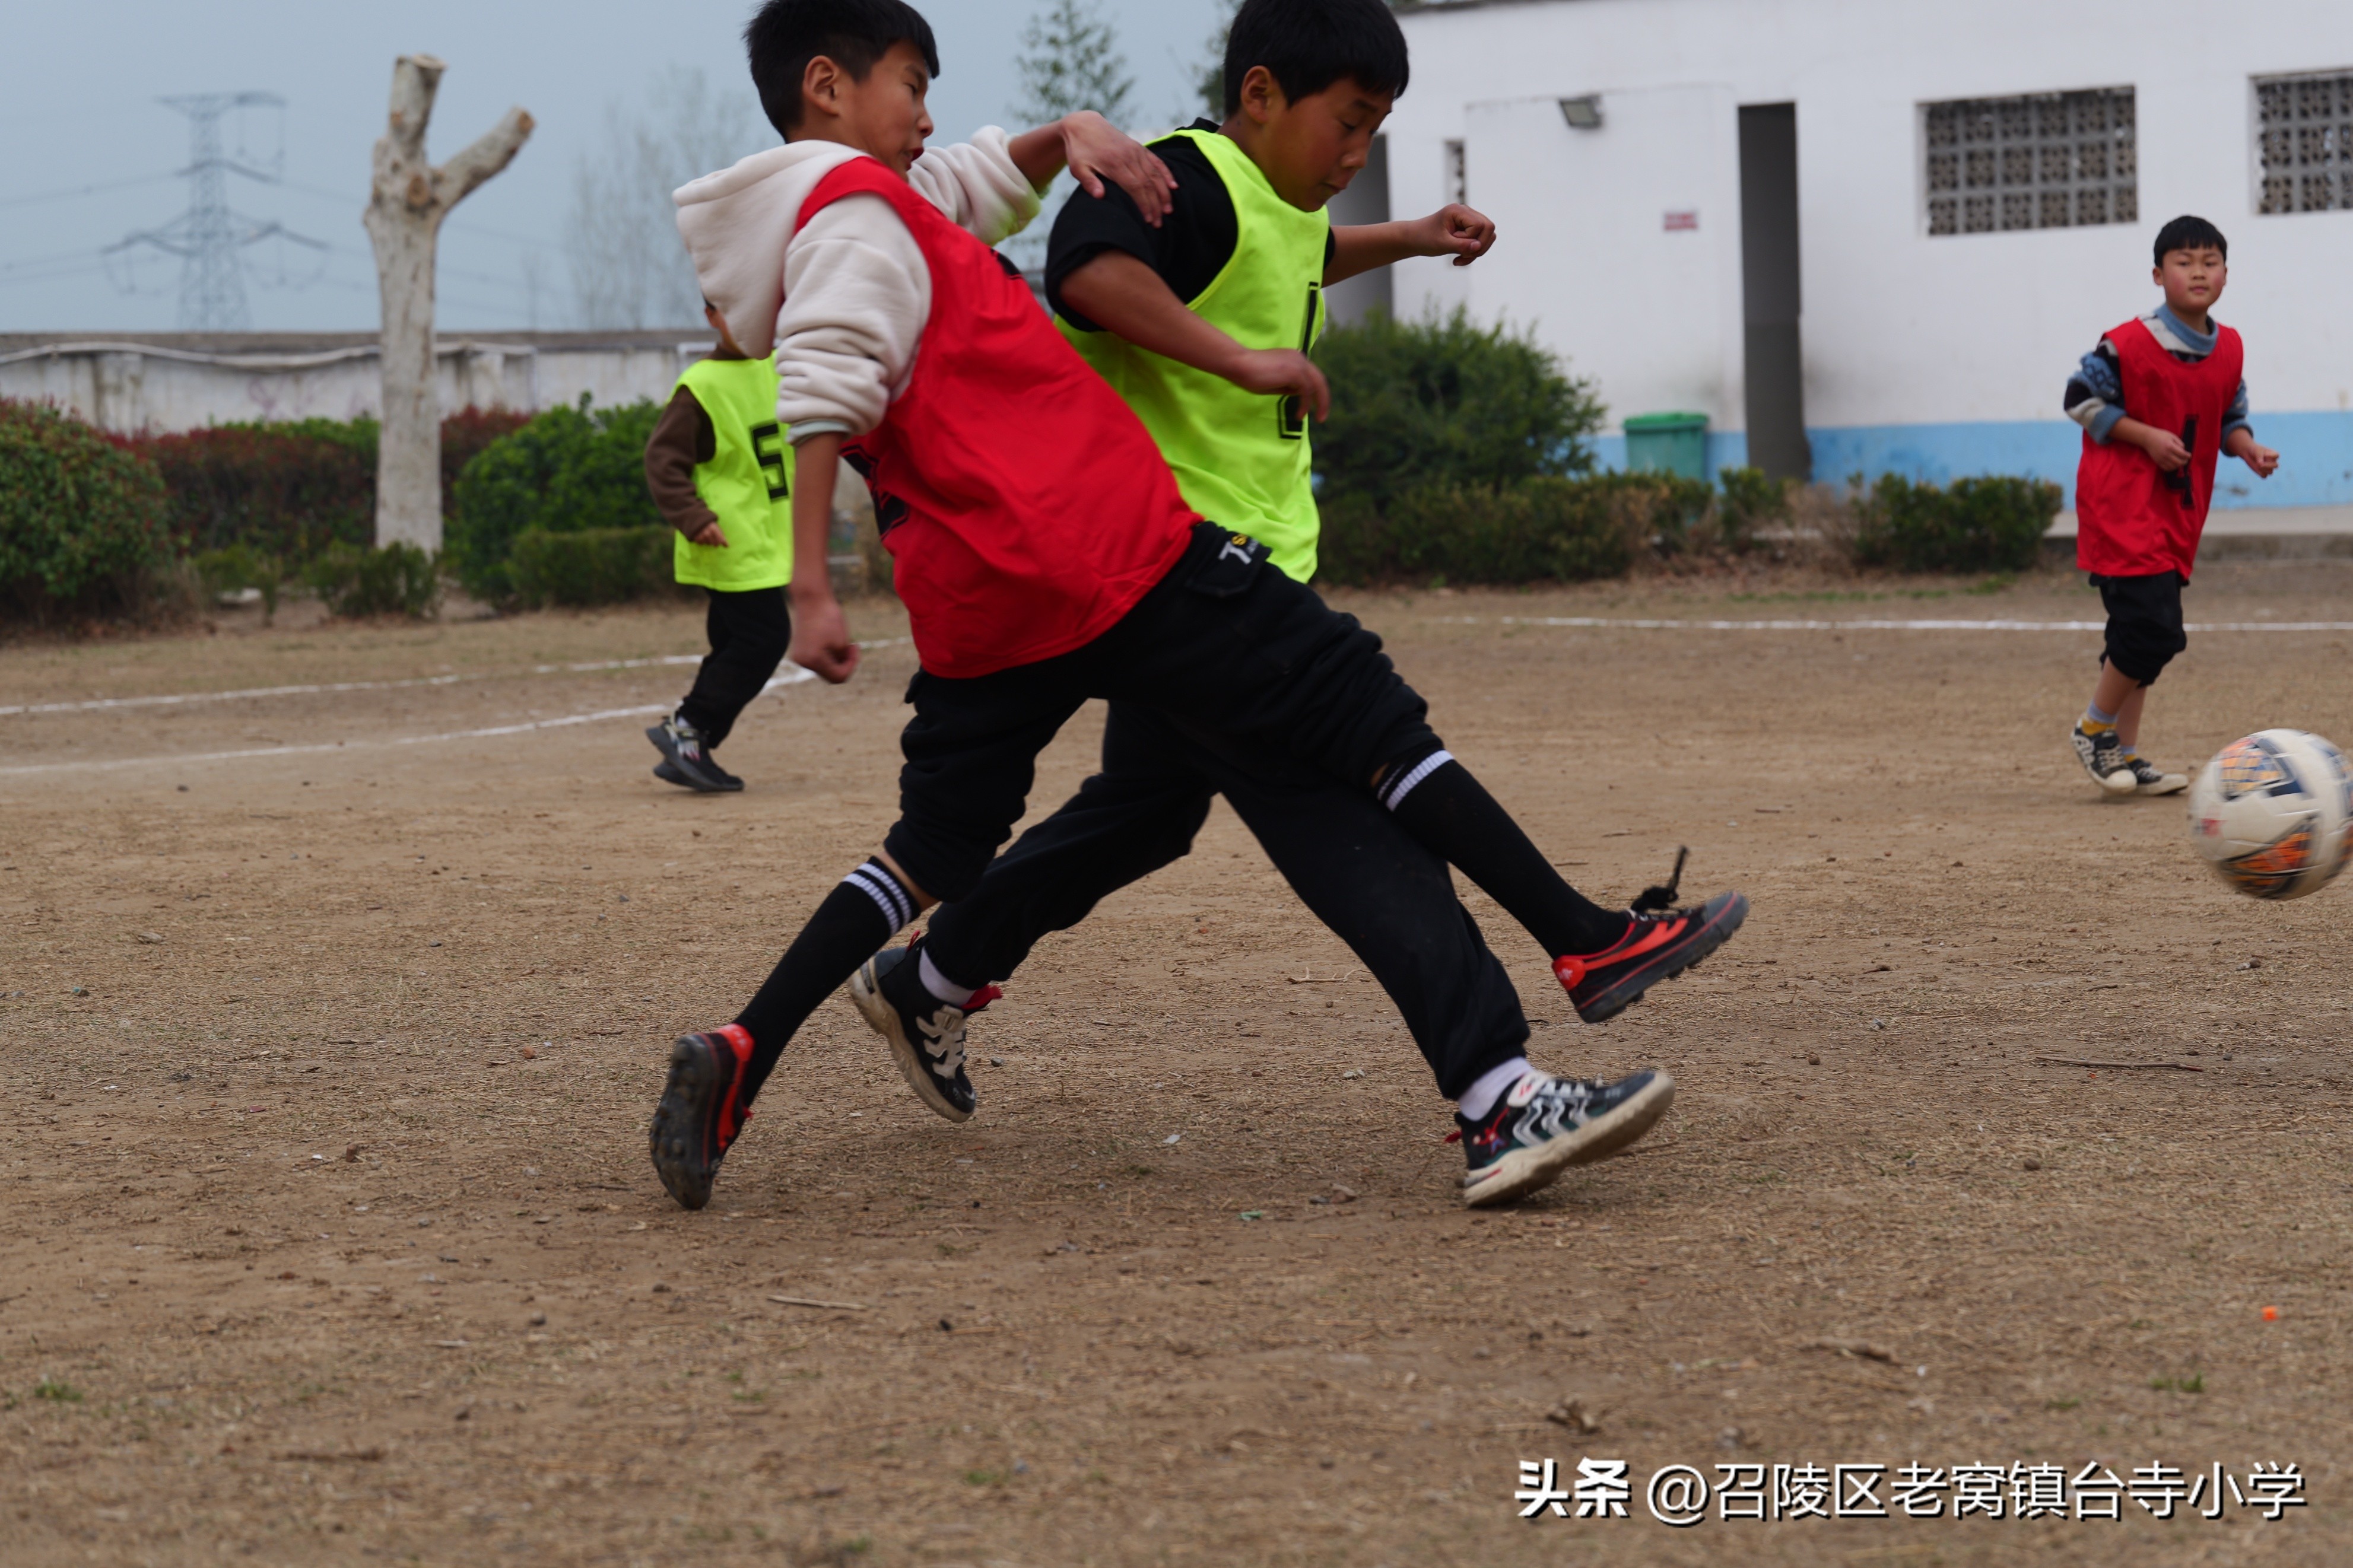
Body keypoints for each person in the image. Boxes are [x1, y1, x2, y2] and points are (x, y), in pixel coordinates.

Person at [644, 0, 1725, 1215]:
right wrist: (804, 582)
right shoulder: (859, 219)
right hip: (1106, 551)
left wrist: (1071, 130)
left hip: (989, 600)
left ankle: (754, 1045)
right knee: (1349, 717)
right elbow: (835, 375)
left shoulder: (869, 203)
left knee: (944, 848)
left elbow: (976, 178)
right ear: (830, 88)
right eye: (909, 81)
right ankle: (1528, 1037)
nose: (929, 111)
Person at [2065, 214, 2278, 796]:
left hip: (2176, 515)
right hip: (2121, 508)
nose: (2197, 272)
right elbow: (2078, 399)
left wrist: (2247, 449)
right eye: (2183, 263)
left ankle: (2123, 754)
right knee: (2151, 631)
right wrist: (2143, 436)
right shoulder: (2126, 343)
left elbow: (2226, 418)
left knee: (2135, 635)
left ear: (2225, 274)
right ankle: (2091, 730)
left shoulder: (2228, 347)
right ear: (2158, 275)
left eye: (2208, 262)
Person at [642, 301, 796, 793]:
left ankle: (694, 744)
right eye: (736, 310)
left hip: (764, 540)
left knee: (733, 642)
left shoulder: (778, 367)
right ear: (712, 316)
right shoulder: (701, 386)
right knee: (764, 637)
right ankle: (688, 727)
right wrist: (693, 517)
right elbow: (662, 462)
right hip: (727, 539)